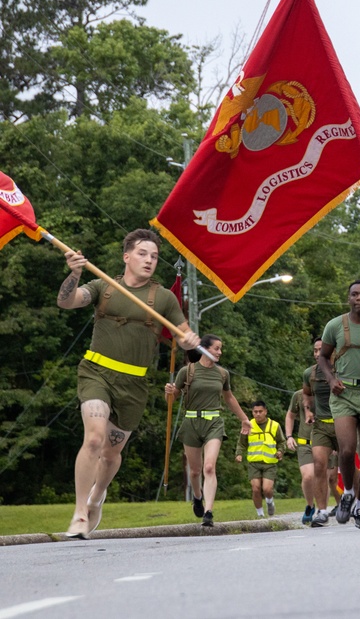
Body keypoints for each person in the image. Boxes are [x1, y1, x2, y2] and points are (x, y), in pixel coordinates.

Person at [58, 229, 200, 538]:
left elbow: (183, 332)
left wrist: (189, 338)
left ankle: (97, 497)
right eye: (142, 254)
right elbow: (67, 301)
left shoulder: (163, 297)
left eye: (154, 256)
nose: (149, 260)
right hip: (96, 372)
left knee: (111, 453)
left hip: (134, 384)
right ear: (127, 257)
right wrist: (75, 273)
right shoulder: (103, 286)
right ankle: (80, 512)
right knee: (94, 439)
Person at [165, 334, 251, 527]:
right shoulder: (187, 372)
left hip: (214, 422)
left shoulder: (222, 374)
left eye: (221, 349)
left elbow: (229, 398)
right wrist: (169, 393)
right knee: (195, 471)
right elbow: (171, 401)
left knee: (209, 467)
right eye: (216, 348)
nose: (220, 352)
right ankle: (197, 497)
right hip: (191, 423)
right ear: (204, 349)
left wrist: (244, 419)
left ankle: (209, 512)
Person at [318, 280, 360, 530]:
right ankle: (347, 493)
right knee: (346, 450)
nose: (359, 298)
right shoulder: (335, 325)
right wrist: (331, 378)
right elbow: (323, 357)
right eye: (355, 294)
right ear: (348, 298)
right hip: (344, 393)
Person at [302, 337, 340, 527]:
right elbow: (307, 394)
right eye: (315, 351)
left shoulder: (342, 369)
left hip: (343, 422)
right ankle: (322, 510)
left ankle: (359, 504)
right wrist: (308, 410)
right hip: (320, 426)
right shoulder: (310, 373)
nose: (318, 354)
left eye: (321, 350)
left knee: (351, 466)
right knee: (319, 465)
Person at [236, 400, 285, 517]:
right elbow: (241, 443)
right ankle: (260, 515)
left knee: (267, 489)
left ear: (265, 412)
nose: (258, 414)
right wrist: (238, 453)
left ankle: (269, 501)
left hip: (270, 463)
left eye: (260, 411)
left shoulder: (275, 425)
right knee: (256, 488)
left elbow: (282, 442)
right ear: (252, 413)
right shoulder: (248, 425)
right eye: (255, 412)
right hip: (254, 462)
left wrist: (280, 451)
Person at [284, 388, 316, 524]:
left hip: (325, 441)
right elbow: (290, 415)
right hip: (305, 443)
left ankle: (323, 511)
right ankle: (310, 505)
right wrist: (289, 436)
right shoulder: (298, 395)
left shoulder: (330, 392)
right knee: (308, 476)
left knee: (325, 477)